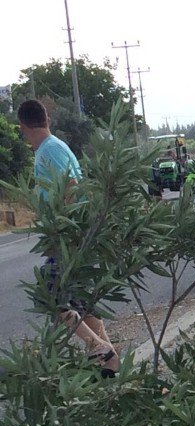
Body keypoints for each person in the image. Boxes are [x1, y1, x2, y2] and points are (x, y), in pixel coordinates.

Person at [17, 99, 120, 376]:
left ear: (22, 126)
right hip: (73, 235)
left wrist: (63, 230)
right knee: (81, 302)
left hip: (68, 236)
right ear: (47, 118)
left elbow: (71, 187)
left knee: (48, 296)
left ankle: (97, 347)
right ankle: (109, 359)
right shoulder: (56, 147)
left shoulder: (49, 150)